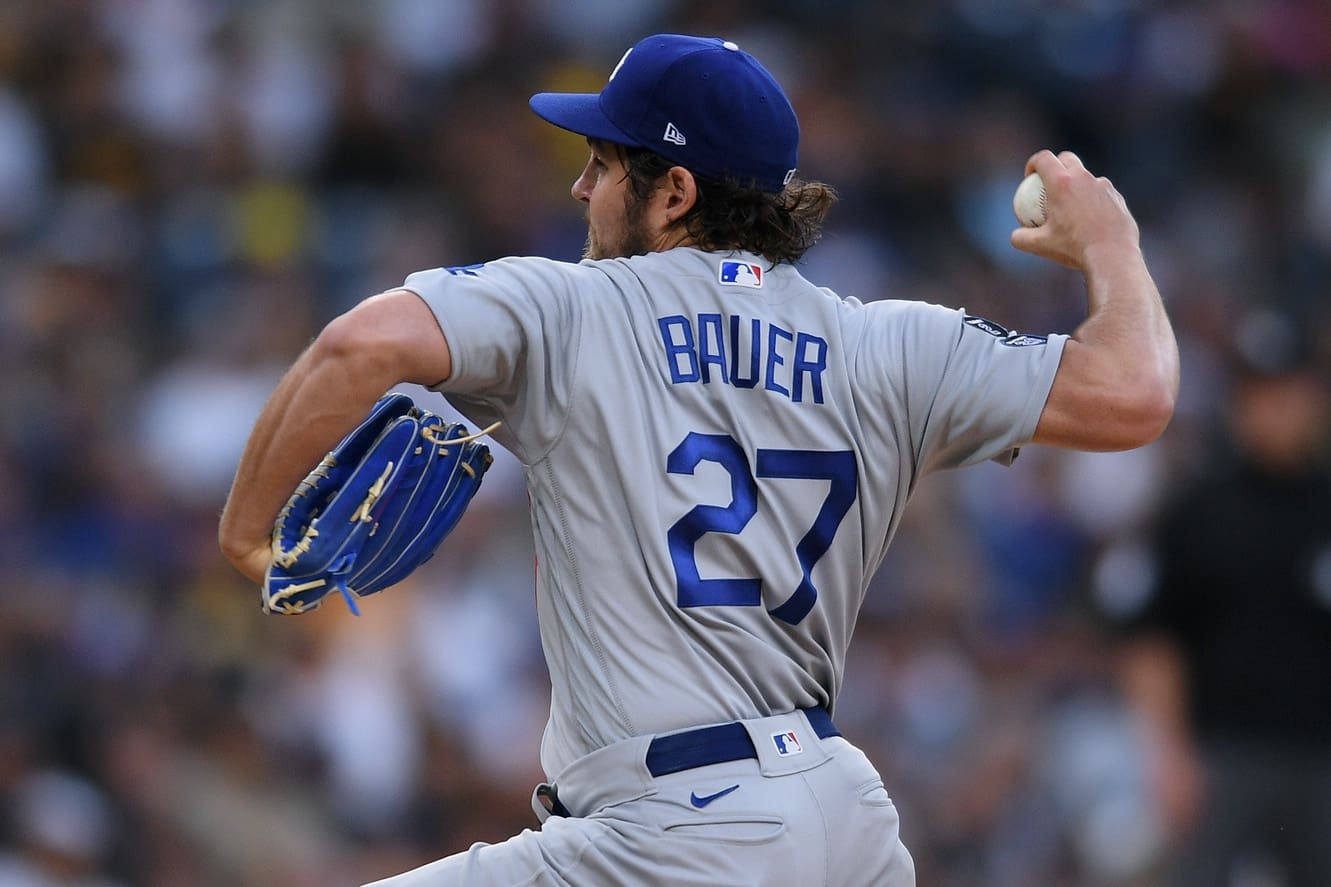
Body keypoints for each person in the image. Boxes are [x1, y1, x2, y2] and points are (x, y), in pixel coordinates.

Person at [219, 33, 1177, 886]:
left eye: (602, 164)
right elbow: (1132, 392)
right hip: (843, 818)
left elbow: (358, 346)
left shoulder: (576, 308)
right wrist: (1115, 245)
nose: (579, 189)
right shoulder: (888, 341)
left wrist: (244, 529)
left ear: (672, 192)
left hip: (675, 831)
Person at [1114, 310, 1331, 887]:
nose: (1276, 408)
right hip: (1222, 755)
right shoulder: (1198, 511)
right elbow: (1153, 640)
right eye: (1259, 394)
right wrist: (1169, 754)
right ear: (1237, 403)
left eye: (1288, 391)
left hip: (1323, 756)